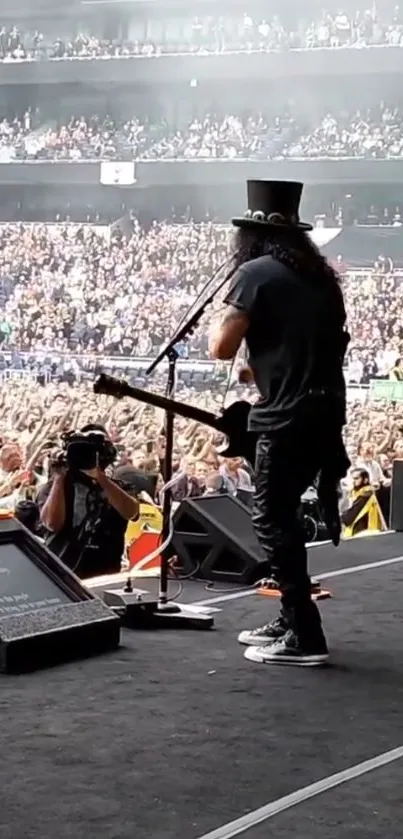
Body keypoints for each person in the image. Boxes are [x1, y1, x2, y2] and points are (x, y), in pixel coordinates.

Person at [209, 180, 350, 667]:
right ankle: (292, 618)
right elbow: (307, 348)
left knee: (272, 518)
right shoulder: (320, 277)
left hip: (286, 416)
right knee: (284, 517)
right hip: (324, 410)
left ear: (251, 234)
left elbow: (220, 348)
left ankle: (304, 634)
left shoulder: (256, 273)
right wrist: (262, 366)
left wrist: (223, 320)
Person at [37, 424, 139, 578]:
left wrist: (100, 477)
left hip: (104, 576)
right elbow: (52, 523)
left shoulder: (120, 487)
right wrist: (59, 477)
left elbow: (131, 512)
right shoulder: (54, 487)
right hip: (59, 574)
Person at [341, 468, 386, 537]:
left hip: (363, 534)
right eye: (352, 479)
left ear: (365, 480)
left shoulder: (365, 495)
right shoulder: (358, 494)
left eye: (356, 478)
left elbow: (347, 518)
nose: (353, 481)